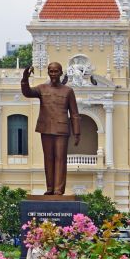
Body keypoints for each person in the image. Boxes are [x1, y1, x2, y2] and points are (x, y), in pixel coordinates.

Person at [20, 61, 81, 196]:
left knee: (60, 158)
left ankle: (59, 189)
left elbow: (75, 113)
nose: (53, 74)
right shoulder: (42, 88)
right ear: (48, 72)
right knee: (48, 158)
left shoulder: (68, 91)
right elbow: (27, 92)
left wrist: (77, 133)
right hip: (46, 127)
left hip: (61, 129)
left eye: (56, 71)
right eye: (51, 71)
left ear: (60, 73)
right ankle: (50, 188)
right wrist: (25, 78)